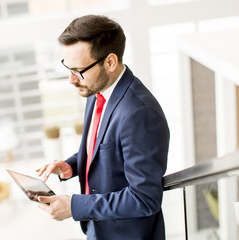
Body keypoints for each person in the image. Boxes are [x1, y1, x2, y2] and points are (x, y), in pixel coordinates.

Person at [36, 14, 170, 240]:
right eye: (67, 68)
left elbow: (144, 198)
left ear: (110, 62)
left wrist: (74, 207)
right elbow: (104, 147)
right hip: (99, 229)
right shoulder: (96, 90)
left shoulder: (139, 113)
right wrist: (72, 165)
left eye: (78, 71)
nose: (71, 79)